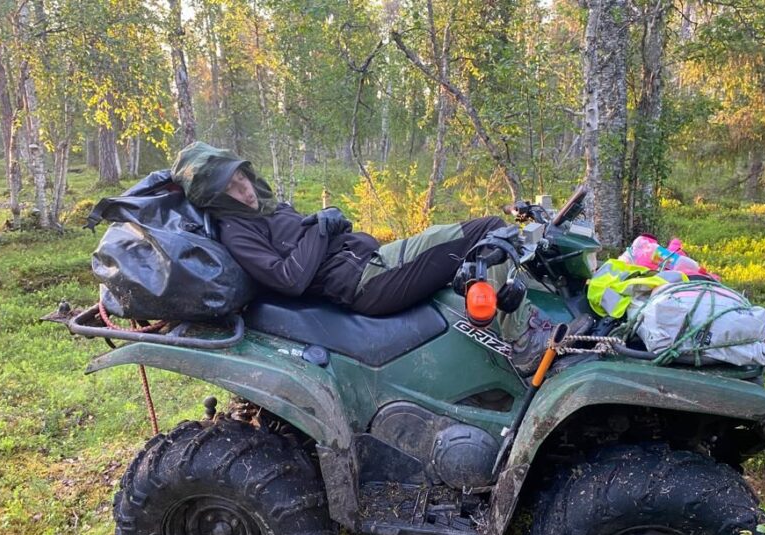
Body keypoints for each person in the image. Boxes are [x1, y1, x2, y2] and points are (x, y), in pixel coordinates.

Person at [171, 142, 552, 374]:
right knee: (484, 230)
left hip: (373, 260)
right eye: (232, 188)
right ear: (217, 198)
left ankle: (523, 313)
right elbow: (289, 278)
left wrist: (331, 221)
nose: (244, 191)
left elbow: (305, 239)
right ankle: (522, 342)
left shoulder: (264, 208)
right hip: (366, 283)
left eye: (241, 179)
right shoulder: (238, 233)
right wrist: (321, 227)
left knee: (482, 243)